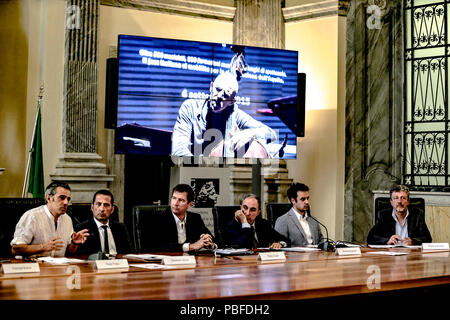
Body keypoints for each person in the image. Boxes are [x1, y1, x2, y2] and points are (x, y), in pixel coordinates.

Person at [171, 72, 277, 158]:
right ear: (211, 87)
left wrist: (250, 133)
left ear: (232, 101)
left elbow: (272, 134)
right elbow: (178, 150)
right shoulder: (190, 108)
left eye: (226, 95)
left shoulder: (234, 114)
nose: (219, 97)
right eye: (218, 89)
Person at [10, 182, 89, 257]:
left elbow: (69, 251)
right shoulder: (32, 216)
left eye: (68, 199)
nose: (66, 203)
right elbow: (16, 249)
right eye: (62, 198)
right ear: (48, 198)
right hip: (35, 266)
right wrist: (43, 247)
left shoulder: (67, 219)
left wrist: (74, 243)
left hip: (58, 267)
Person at [147, 184, 216, 252]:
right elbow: (158, 246)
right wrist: (191, 246)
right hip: (167, 261)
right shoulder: (158, 218)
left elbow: (214, 240)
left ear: (190, 204)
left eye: (181, 200)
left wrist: (209, 243)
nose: (175, 203)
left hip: (191, 261)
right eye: (174, 198)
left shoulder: (195, 218)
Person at [367, 185, 432, 245]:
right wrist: (387, 240)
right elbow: (371, 238)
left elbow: (427, 239)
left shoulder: (417, 214)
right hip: (390, 254)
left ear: (408, 201)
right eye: (396, 198)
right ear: (391, 202)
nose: (399, 201)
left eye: (403, 198)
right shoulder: (383, 215)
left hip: (411, 254)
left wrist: (413, 241)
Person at [75, 190, 133, 256]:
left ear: (112, 209)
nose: (102, 209)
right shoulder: (83, 228)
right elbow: (82, 256)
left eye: (106, 205)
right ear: (92, 207)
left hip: (117, 264)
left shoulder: (121, 228)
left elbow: (129, 254)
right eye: (98, 204)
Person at [224, 194, 290, 249]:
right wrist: (244, 222)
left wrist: (280, 244)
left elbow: (286, 240)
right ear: (240, 208)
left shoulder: (263, 224)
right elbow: (246, 246)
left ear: (258, 212)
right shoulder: (231, 226)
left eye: (252, 209)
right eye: (245, 208)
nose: (247, 213)